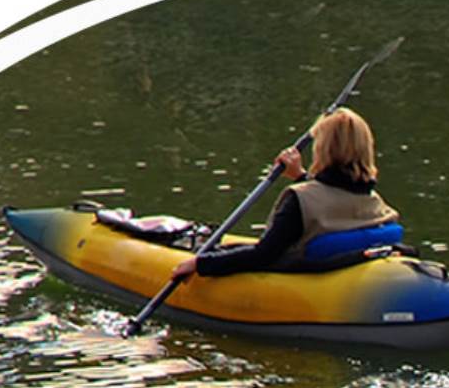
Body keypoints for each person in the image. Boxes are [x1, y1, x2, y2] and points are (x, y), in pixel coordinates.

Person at [171, 107, 399, 279]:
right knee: (225, 249)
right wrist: (301, 176)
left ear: (323, 149)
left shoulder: (299, 199)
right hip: (348, 270)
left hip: (308, 275)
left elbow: (263, 255)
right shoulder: (373, 201)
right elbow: (335, 199)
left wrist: (201, 264)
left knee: (217, 255)